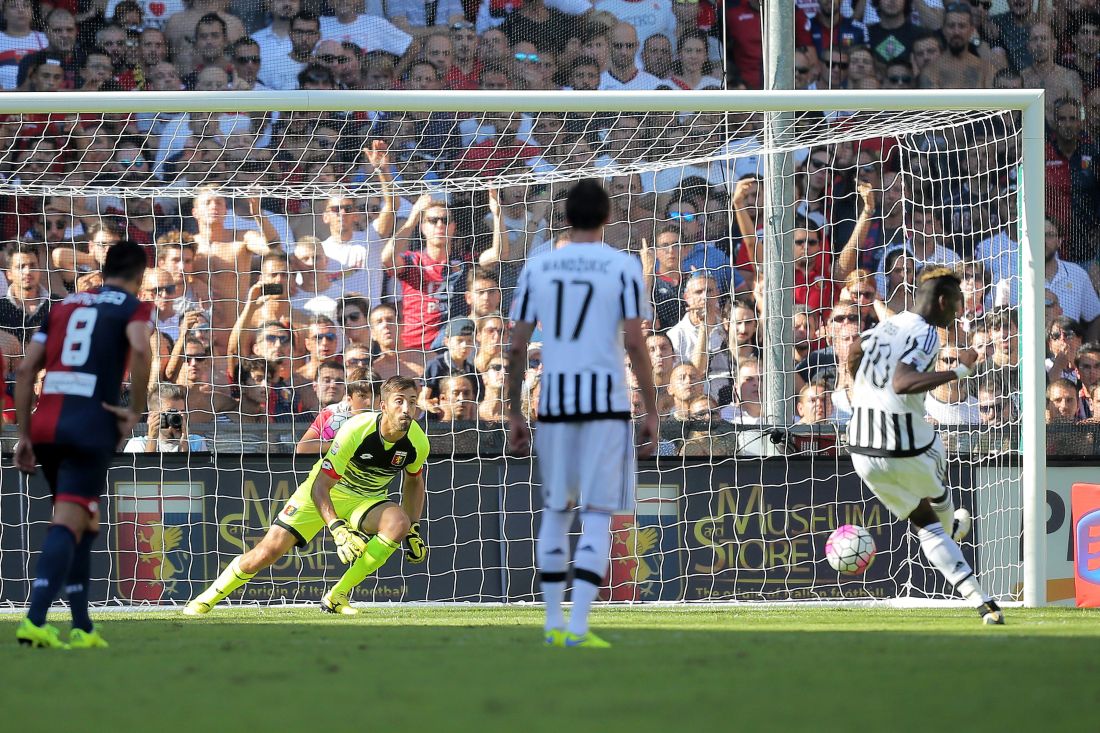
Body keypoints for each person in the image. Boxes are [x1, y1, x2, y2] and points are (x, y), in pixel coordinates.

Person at [506, 178, 657, 649]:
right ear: (608, 217)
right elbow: (635, 342)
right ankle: (579, 625)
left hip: (556, 401)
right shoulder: (622, 267)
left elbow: (514, 348)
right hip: (607, 403)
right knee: (596, 513)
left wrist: (514, 411)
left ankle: (553, 620)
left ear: (565, 217)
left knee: (555, 510)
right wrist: (651, 407)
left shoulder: (540, 266)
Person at [185, 376, 429, 616]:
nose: (407, 408)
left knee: (398, 523)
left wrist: (413, 529)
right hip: (325, 491)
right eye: (399, 401)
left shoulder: (418, 441)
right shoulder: (356, 430)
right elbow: (321, 487)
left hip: (367, 499)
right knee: (266, 553)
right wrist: (337, 529)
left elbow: (414, 481)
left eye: (412, 401)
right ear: (383, 406)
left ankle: (337, 596)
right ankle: (205, 599)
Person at [13, 240, 153, 648]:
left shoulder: (63, 306)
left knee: (85, 521)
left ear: (103, 267)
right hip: (89, 425)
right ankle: (36, 618)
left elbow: (24, 371)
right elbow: (142, 348)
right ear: (140, 276)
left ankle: (82, 626)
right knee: (70, 520)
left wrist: (24, 433)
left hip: (46, 424)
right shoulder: (131, 307)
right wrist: (136, 408)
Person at [846, 268, 1004, 625]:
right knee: (937, 452)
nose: (959, 312)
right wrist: (959, 372)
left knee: (923, 521)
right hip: (902, 444)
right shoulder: (928, 333)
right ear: (943, 302)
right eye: (958, 304)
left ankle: (983, 603)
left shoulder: (890, 324)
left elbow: (857, 348)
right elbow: (903, 383)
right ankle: (951, 528)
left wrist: (857, 388)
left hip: (859, 447)